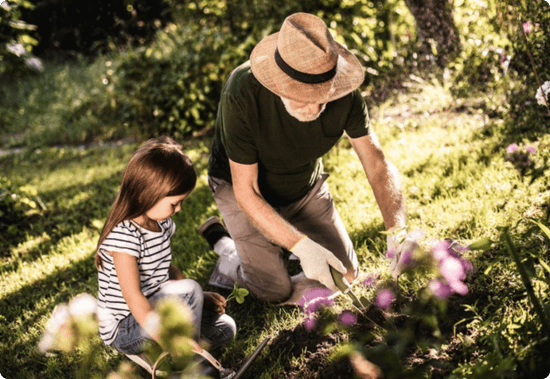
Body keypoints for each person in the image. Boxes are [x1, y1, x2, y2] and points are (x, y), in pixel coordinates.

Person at [199, 12, 415, 304]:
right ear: (277, 82)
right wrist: (303, 246)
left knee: (346, 274)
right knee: (274, 292)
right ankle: (226, 249)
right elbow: (246, 192)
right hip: (242, 187)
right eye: (302, 95)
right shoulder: (242, 91)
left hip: (302, 184)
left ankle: (281, 243)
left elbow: (377, 164)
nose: (313, 108)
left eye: (321, 94)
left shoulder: (344, 95)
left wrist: (397, 229)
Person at [95, 137, 236, 375]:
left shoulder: (162, 224)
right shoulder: (124, 238)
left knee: (224, 329)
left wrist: (198, 297)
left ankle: (167, 352)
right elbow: (134, 298)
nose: (179, 209)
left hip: (157, 309)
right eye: (175, 203)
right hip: (128, 326)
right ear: (146, 194)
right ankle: (191, 369)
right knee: (189, 290)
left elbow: (165, 267)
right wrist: (172, 338)